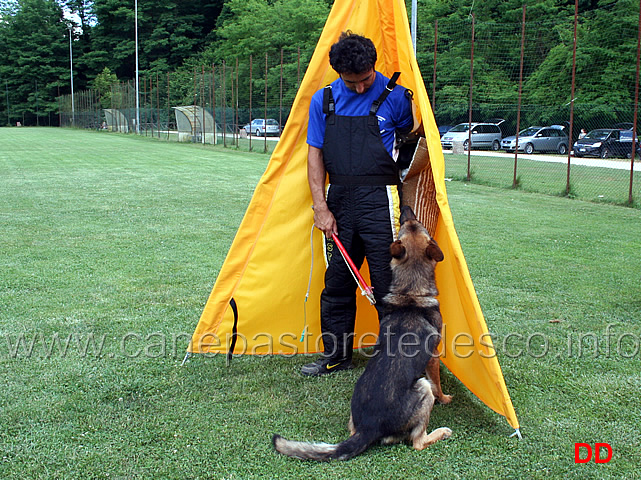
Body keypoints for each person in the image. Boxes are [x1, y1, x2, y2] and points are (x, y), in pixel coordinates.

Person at [301, 32, 414, 376]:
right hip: (339, 201)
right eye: (352, 83)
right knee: (336, 282)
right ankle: (335, 355)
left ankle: (394, 361)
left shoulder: (397, 98)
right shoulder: (322, 101)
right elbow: (314, 155)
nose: (362, 88)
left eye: (366, 80)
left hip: (381, 200)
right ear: (338, 74)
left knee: (388, 284)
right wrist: (321, 207)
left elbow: (412, 148)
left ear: (374, 67)